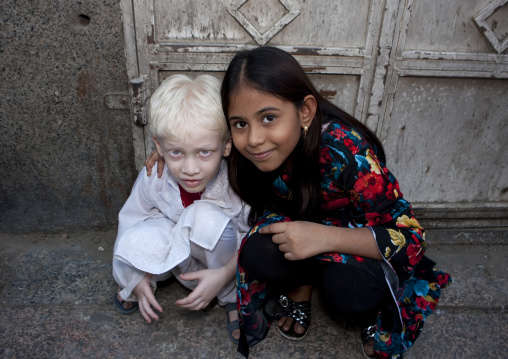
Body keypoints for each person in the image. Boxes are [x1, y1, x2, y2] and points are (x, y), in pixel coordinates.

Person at [147, 47, 451, 358]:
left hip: (353, 234)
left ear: (304, 111)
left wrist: (321, 237)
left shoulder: (347, 153)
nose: (253, 139)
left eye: (269, 118)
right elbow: (206, 137)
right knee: (257, 253)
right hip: (296, 229)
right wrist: (175, 148)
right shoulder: (246, 146)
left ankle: (359, 305)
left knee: (352, 295)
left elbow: (411, 239)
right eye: (240, 124)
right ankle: (300, 285)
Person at [113, 74, 250, 344]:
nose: (189, 169)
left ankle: (230, 297)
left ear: (226, 145)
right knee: (137, 238)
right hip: (172, 256)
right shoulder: (155, 175)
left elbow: (251, 238)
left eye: (203, 152)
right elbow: (130, 222)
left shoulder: (236, 182)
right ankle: (141, 284)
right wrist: (134, 276)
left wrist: (225, 276)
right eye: (176, 152)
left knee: (207, 217)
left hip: (216, 263)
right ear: (158, 146)